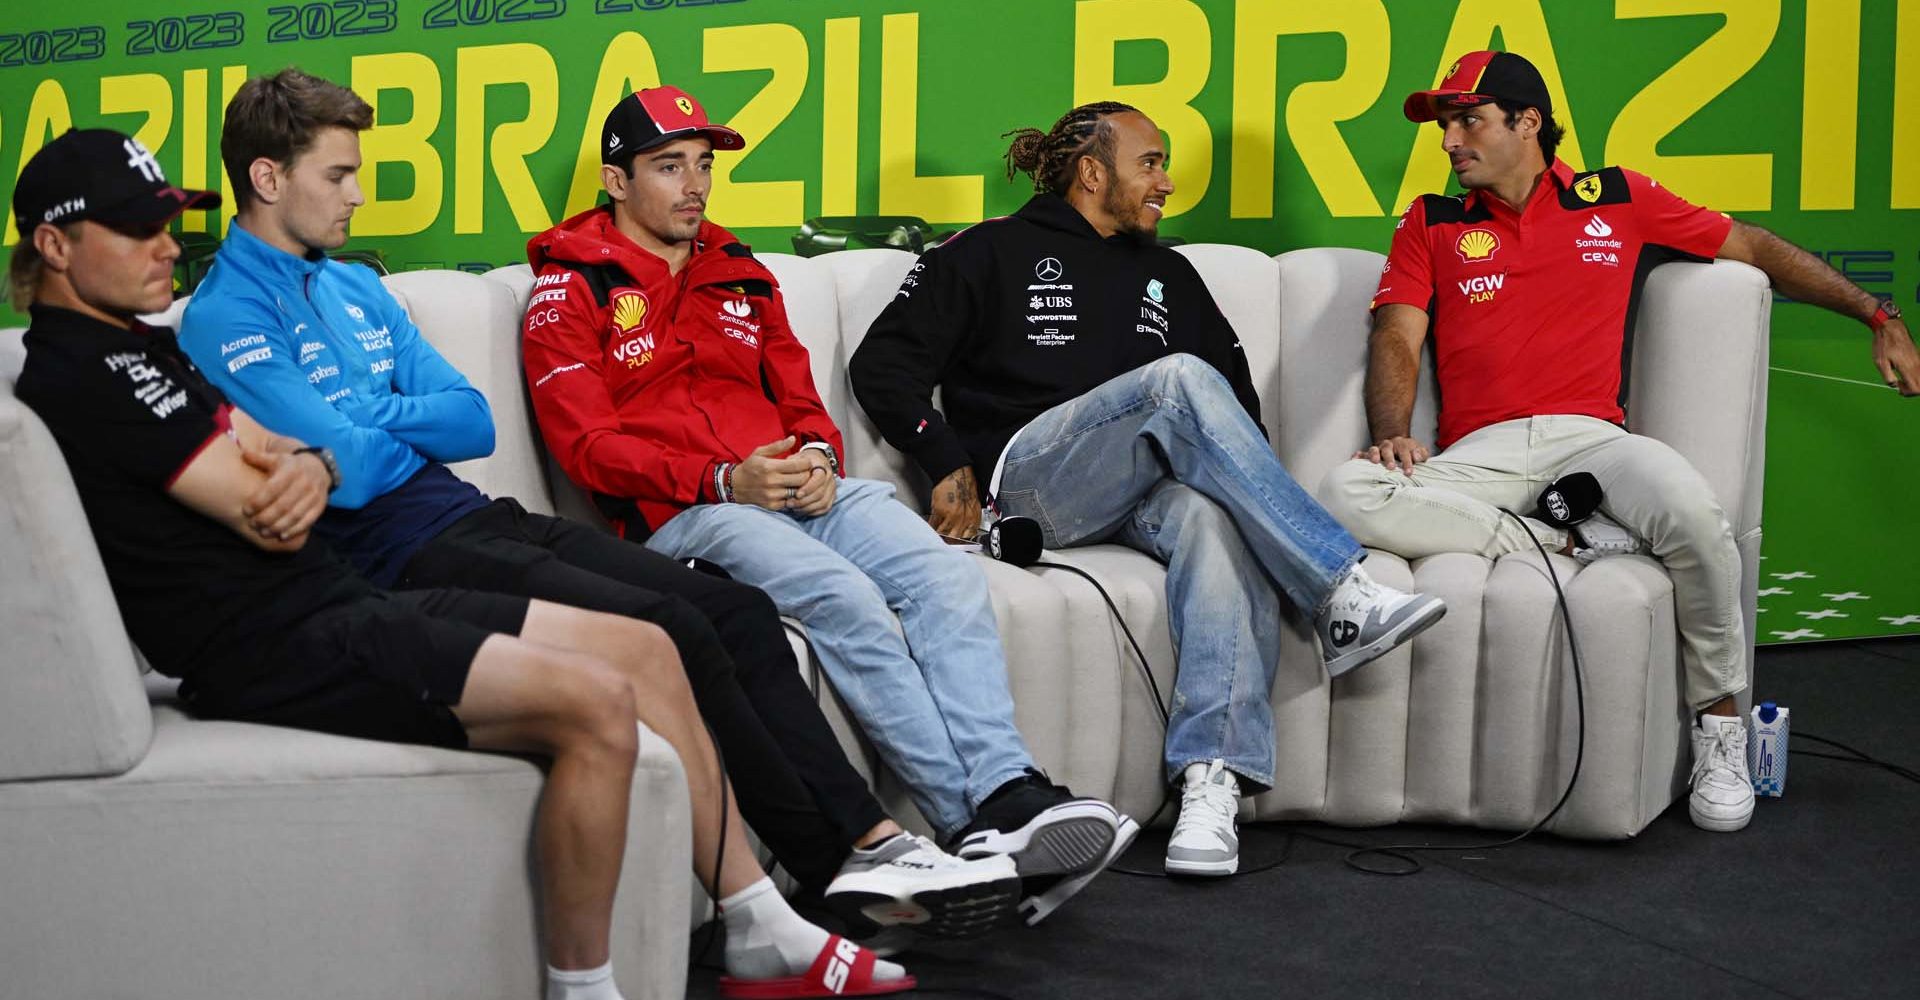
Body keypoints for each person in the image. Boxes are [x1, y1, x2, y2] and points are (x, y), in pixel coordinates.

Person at [8, 127, 918, 1000]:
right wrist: (302, 466)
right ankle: (586, 986)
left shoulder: (145, 343)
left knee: (651, 650)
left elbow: (303, 453)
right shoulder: (83, 369)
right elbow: (268, 508)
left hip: (338, 592)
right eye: (138, 227)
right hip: (280, 640)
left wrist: (313, 458)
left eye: (169, 220)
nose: (168, 244)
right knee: (605, 697)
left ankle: (760, 922)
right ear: (53, 244)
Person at [176, 68, 1017, 948]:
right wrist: (387, 423)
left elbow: (469, 419)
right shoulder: (223, 312)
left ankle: (872, 845)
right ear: (268, 179)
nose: (356, 195)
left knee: (733, 609)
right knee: (674, 627)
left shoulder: (355, 287)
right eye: (337, 177)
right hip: (389, 553)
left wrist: (367, 417)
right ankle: (840, 861)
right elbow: (344, 473)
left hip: (467, 510)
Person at [520, 85, 1131, 926]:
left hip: (799, 490)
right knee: (846, 599)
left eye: (703, 167)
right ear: (616, 181)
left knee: (943, 575)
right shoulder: (568, 286)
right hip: (687, 514)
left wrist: (815, 455)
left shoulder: (742, 271)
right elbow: (585, 447)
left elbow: (802, 399)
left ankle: (1007, 791)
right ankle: (969, 827)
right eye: (669, 168)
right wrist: (722, 479)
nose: (694, 186)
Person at [1321, 50, 1920, 833]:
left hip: (1593, 443)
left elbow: (1756, 248)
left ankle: (1721, 733)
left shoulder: (1618, 198)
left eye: (1467, 120)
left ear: (1526, 122)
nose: (1448, 142)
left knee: (1697, 518)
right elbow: (1397, 336)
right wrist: (1392, 435)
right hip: (1483, 451)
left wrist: (1878, 315)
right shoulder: (1431, 223)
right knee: (1344, 492)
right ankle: (1561, 541)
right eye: (1445, 125)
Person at [848, 101, 1447, 877]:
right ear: (1092, 173)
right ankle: (1338, 588)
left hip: (1142, 495)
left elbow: (1234, 406)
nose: (1166, 181)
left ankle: (1212, 780)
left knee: (1216, 519)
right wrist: (945, 462)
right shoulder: (988, 251)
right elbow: (883, 364)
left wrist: (1242, 494)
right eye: (1150, 163)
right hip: (1031, 483)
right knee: (1175, 383)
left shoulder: (1171, 273)